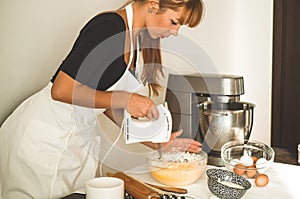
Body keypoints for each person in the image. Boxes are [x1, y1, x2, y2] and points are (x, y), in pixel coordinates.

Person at [0, 0, 205, 198]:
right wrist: (125, 99)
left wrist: (156, 142)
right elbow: (61, 90)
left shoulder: (133, 42)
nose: (176, 32)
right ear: (153, 4)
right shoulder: (109, 27)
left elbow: (104, 102)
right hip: (43, 139)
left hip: (73, 144)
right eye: (175, 22)